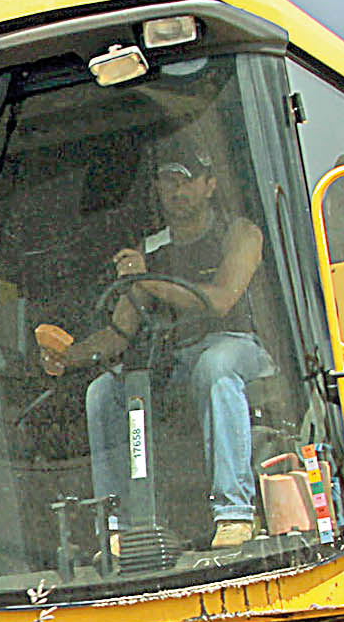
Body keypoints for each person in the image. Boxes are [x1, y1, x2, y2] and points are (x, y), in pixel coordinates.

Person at [39, 140, 273, 551]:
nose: (176, 191)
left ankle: (234, 512)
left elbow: (220, 300)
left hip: (240, 348)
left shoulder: (239, 233)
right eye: (168, 182)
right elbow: (120, 334)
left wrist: (147, 279)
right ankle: (120, 525)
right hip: (178, 359)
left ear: (210, 184)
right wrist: (68, 355)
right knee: (104, 391)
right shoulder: (152, 249)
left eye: (186, 181)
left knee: (216, 365)